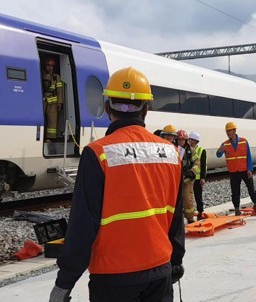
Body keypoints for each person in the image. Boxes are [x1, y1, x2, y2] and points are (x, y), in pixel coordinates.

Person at [49, 67, 185, 302]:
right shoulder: (171, 153)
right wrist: (175, 262)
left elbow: (82, 226)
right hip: (159, 272)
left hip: (113, 278)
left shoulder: (97, 153)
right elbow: (176, 218)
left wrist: (64, 283)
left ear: (107, 106)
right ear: (146, 109)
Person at [216, 122, 256, 218]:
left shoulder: (244, 142)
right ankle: (237, 210)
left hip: (245, 171)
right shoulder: (225, 144)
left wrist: (250, 169)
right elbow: (218, 155)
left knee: (252, 190)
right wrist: (220, 150)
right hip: (234, 172)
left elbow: (249, 156)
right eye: (227, 131)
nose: (228, 133)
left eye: (230, 130)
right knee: (235, 192)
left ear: (234, 131)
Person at [177, 129, 199, 224]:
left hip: (187, 178)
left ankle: (190, 218)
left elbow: (197, 162)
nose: (180, 142)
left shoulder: (191, 150)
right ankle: (177, 219)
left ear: (186, 140)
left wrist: (192, 171)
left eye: (182, 140)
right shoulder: (173, 149)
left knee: (187, 198)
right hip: (176, 179)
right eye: (178, 140)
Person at [42, 57, 64, 141]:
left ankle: (50, 138)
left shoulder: (56, 77)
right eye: (48, 65)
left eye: (51, 66)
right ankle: (42, 137)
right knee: (41, 119)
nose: (49, 67)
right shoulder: (41, 75)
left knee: (52, 121)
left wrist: (60, 102)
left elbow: (59, 90)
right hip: (43, 100)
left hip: (53, 103)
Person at [189, 131, 207, 221]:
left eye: (191, 140)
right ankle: (190, 213)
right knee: (189, 196)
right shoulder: (187, 150)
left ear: (195, 141)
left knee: (198, 196)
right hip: (189, 178)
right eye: (189, 139)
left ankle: (200, 212)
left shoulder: (201, 151)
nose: (189, 141)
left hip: (198, 178)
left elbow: (203, 165)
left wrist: (203, 178)